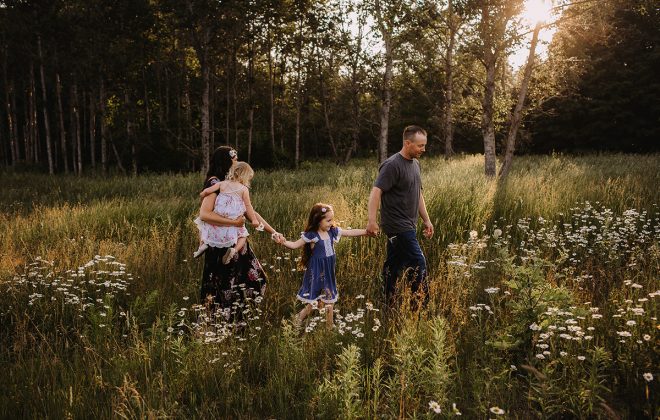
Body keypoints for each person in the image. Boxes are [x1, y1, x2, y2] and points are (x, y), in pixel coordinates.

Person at [198, 146, 282, 318]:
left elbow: (249, 211)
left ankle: (239, 325)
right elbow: (205, 214)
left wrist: (273, 232)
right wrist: (234, 222)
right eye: (234, 160)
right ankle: (219, 329)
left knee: (256, 280)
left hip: (236, 242)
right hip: (221, 243)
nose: (236, 163)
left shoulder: (234, 184)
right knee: (223, 288)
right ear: (226, 161)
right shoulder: (215, 183)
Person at [366, 125, 434, 307]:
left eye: (424, 145)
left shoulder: (416, 165)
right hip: (397, 226)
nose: (423, 149)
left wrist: (426, 220)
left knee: (393, 266)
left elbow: (418, 194)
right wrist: (372, 222)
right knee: (418, 261)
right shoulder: (392, 164)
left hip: (409, 225)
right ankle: (419, 307)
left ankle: (388, 301)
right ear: (407, 143)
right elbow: (375, 192)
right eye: (420, 146)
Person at [277, 203, 367, 329]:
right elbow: (294, 245)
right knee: (317, 300)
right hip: (317, 272)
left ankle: (327, 326)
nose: (331, 223)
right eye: (328, 220)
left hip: (329, 271)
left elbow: (350, 232)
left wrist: (366, 231)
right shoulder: (312, 235)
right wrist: (283, 241)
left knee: (327, 298)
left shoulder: (332, 232)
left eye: (332, 220)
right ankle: (302, 318)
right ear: (318, 220)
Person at [194, 161, 261, 264]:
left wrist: (202, 194)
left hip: (220, 214)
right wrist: (254, 220)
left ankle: (202, 244)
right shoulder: (244, 189)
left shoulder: (222, 184)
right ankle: (234, 250)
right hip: (233, 217)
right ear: (244, 176)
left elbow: (208, 191)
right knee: (243, 235)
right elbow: (248, 206)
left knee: (203, 225)